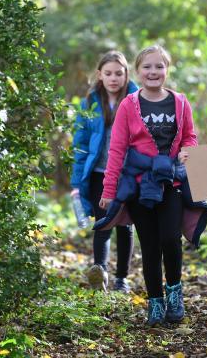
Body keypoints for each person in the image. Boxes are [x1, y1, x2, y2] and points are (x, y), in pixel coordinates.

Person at [98, 45, 207, 326]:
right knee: (149, 246)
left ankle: (175, 293)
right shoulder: (129, 105)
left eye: (159, 66)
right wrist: (109, 191)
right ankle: (155, 302)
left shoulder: (180, 102)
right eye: (147, 67)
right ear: (137, 71)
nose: (153, 72)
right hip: (138, 186)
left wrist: (188, 150)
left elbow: (190, 136)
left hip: (170, 181)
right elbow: (117, 150)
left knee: (171, 240)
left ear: (167, 70)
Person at [70, 50, 138, 293]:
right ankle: (100, 271)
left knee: (125, 225)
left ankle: (122, 278)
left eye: (118, 74)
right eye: (108, 73)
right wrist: (77, 182)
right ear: (99, 75)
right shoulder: (90, 103)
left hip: (128, 173)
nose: (113, 78)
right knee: (103, 222)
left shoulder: (136, 98)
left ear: (126, 74)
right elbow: (80, 143)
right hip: (99, 172)